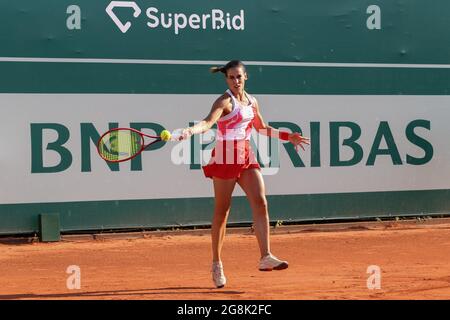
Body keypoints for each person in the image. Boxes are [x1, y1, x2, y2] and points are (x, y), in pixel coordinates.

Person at [176, 60, 310, 288]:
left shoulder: (252, 101)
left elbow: (261, 128)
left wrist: (289, 137)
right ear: (226, 79)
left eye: (239, 76)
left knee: (261, 202)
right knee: (222, 211)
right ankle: (217, 263)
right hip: (225, 158)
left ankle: (265, 256)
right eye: (231, 77)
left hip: (246, 155)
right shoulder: (224, 101)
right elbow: (208, 123)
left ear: (246, 76)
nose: (236, 81)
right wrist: (190, 130)